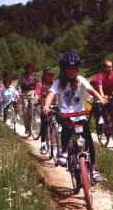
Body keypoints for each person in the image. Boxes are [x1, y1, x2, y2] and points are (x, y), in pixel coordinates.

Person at [43, 52, 107, 182]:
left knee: (88, 142)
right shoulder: (58, 82)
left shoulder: (81, 80)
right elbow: (50, 94)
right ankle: (65, 150)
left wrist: (100, 98)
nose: (71, 71)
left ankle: (93, 169)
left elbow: (92, 91)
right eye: (68, 69)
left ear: (77, 68)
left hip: (80, 115)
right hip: (65, 114)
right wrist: (46, 106)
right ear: (63, 69)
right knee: (66, 127)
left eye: (74, 68)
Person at [35, 67, 57, 155]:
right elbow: (37, 94)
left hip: (55, 106)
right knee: (44, 123)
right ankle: (43, 144)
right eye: (49, 74)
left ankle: (58, 145)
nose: (52, 76)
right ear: (45, 75)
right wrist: (36, 99)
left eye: (53, 75)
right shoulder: (40, 84)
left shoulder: (55, 84)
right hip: (45, 107)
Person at [17, 63, 39, 134]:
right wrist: (19, 92)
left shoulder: (34, 75)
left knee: (32, 110)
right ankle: (27, 128)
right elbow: (18, 85)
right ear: (26, 68)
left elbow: (38, 85)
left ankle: (32, 125)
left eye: (31, 67)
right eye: (28, 68)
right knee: (26, 112)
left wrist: (36, 93)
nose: (29, 69)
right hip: (24, 93)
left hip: (32, 92)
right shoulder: (22, 76)